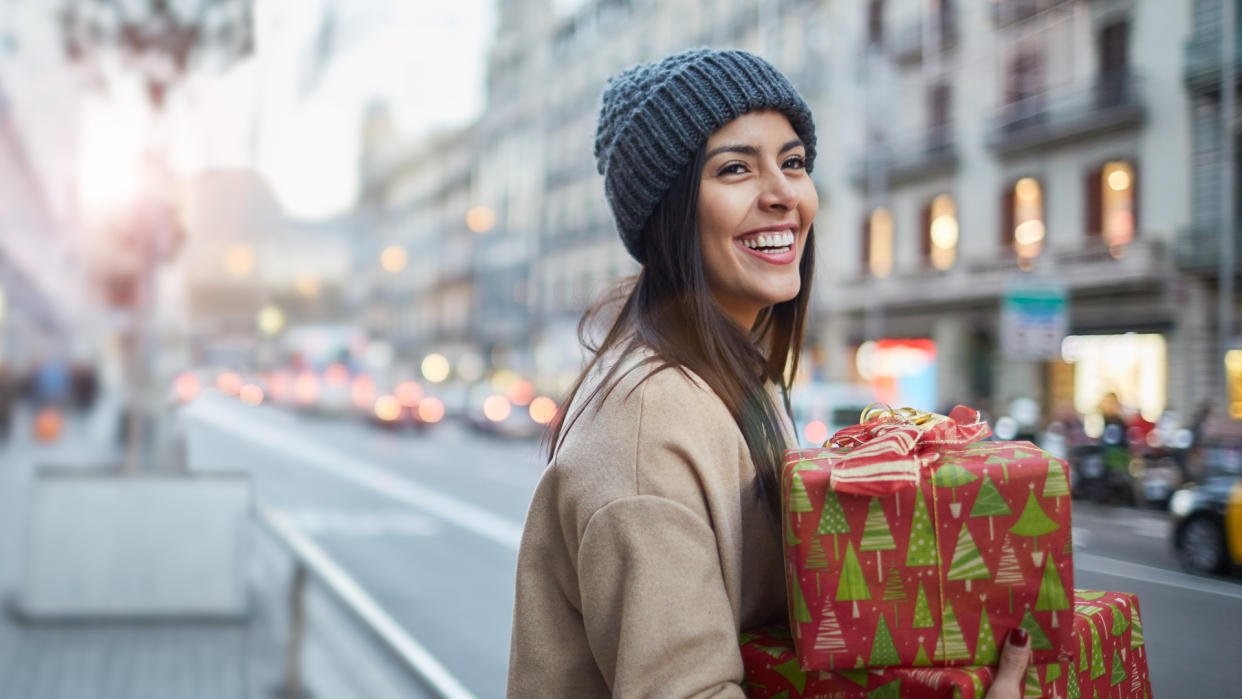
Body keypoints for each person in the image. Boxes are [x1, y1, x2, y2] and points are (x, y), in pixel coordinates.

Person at [506, 48, 1031, 698]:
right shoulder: (648, 429)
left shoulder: (742, 378)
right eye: (734, 168)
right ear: (667, 212)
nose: (784, 194)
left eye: (793, 162)